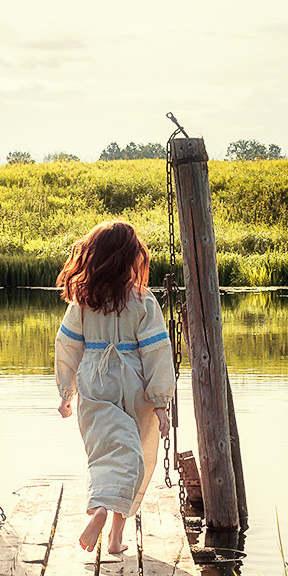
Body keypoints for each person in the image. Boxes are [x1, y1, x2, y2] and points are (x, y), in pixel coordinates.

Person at [54, 220, 176, 554]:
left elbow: (66, 345)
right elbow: (156, 352)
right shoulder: (142, 299)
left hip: (94, 379)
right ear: (130, 257)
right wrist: (162, 404)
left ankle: (103, 516)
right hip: (133, 380)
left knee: (105, 450)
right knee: (134, 456)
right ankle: (114, 531)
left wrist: (67, 393)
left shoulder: (83, 299)